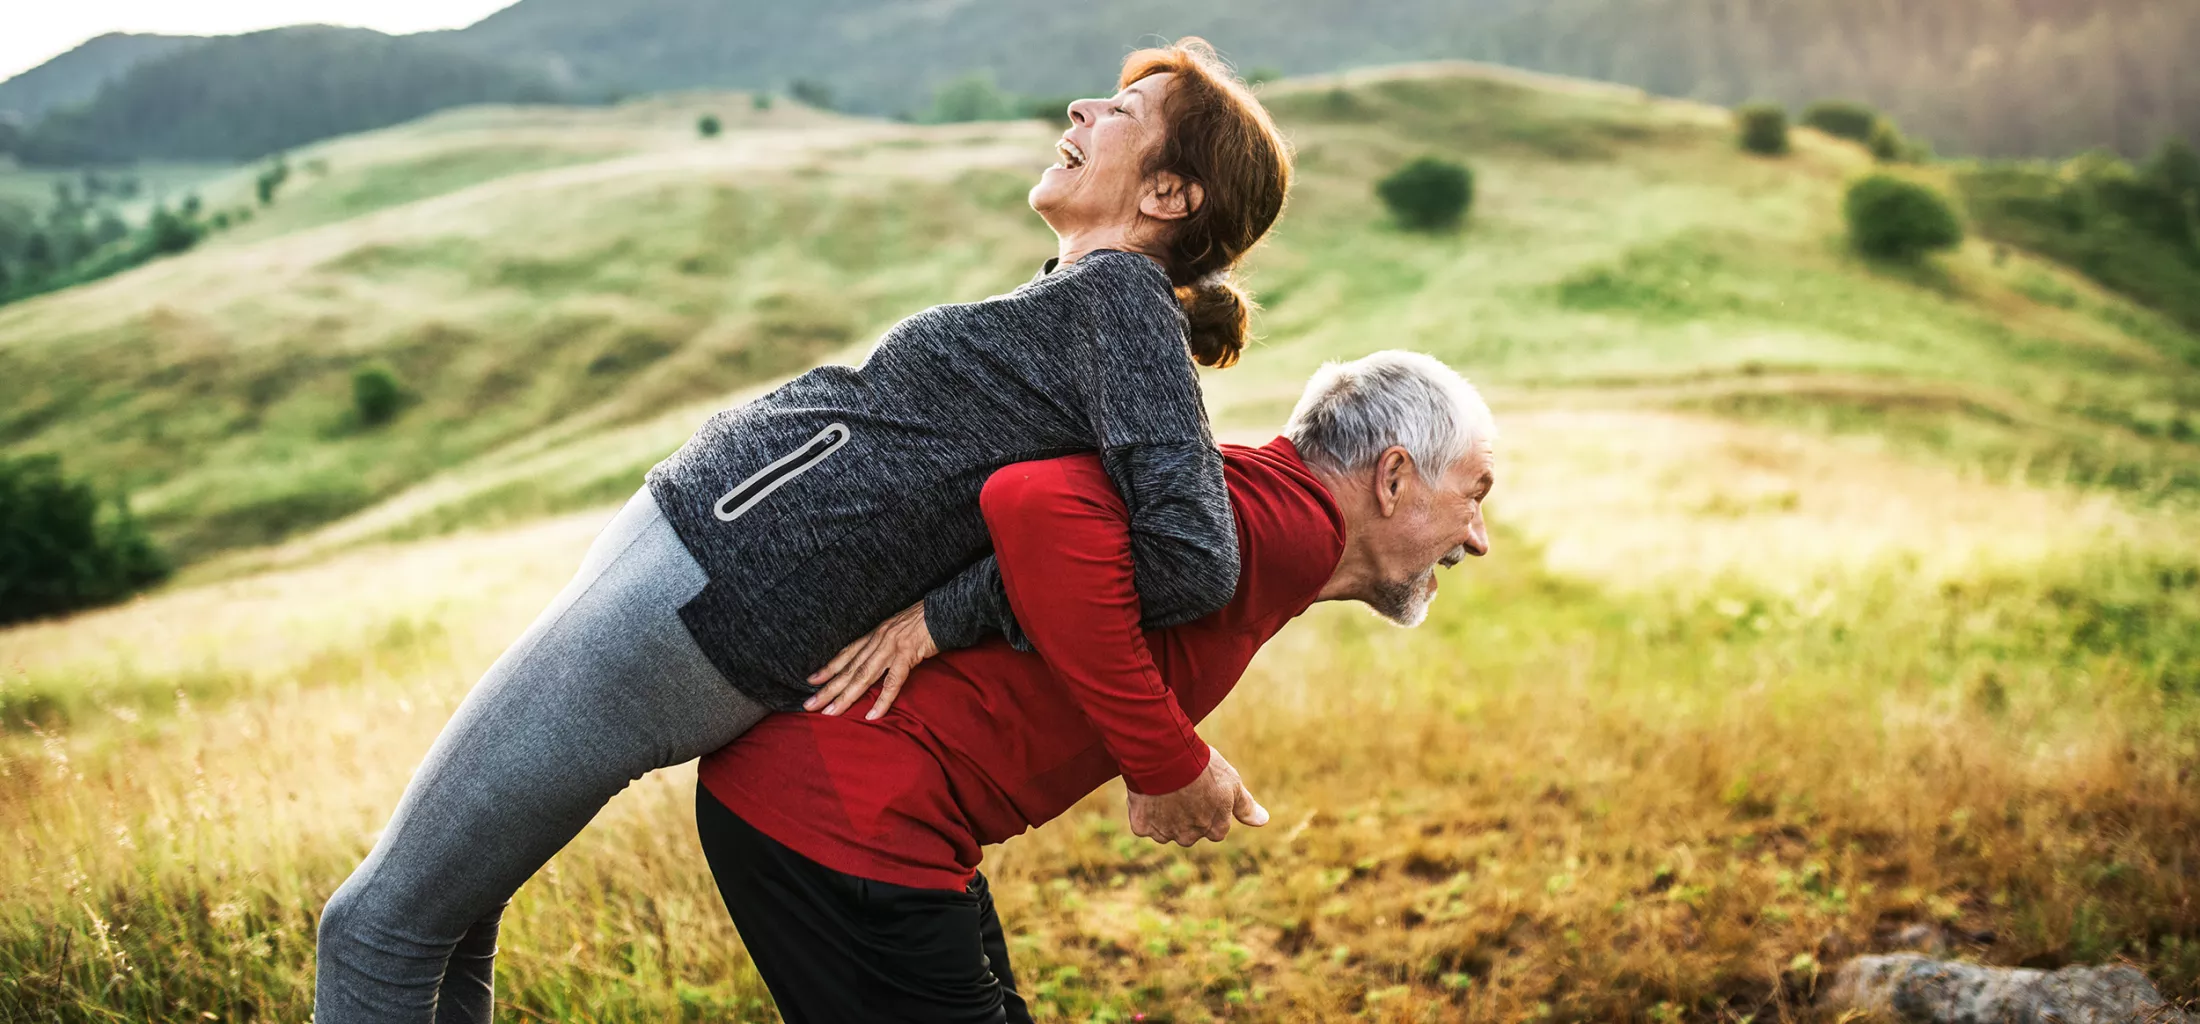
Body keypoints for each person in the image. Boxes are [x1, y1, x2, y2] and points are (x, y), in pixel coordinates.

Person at [314, 39, 1291, 1023]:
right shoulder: (1091, 300)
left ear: (1170, 194)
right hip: (693, 581)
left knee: (372, 927)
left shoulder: (1119, 302)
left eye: (1121, 111)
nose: (1081, 108)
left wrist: (948, 613)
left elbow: (1189, 554)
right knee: (446, 914)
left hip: (700, 604)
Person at [695, 352, 1497, 1023]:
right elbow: (1035, 501)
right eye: (1475, 494)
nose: (1479, 537)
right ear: (1393, 477)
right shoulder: (1282, 520)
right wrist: (1167, 762)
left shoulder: (1275, 516)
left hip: (879, 821)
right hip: (843, 818)